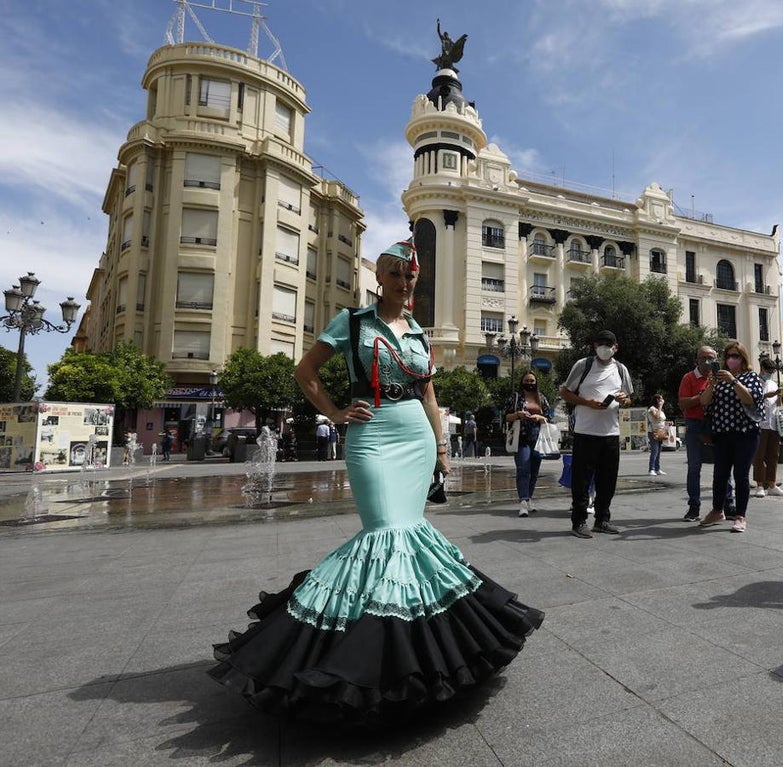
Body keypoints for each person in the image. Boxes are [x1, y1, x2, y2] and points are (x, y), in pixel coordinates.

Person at [210, 240, 543, 721]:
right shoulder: (351, 323)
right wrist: (336, 412)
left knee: (406, 538)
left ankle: (411, 661)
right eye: (396, 275)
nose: (405, 283)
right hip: (371, 435)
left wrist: (442, 448)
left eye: (411, 277)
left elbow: (428, 394)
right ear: (380, 279)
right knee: (387, 531)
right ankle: (363, 657)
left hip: (415, 437)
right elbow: (305, 372)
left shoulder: (417, 332)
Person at [560, 329, 634, 538]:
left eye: (608, 344)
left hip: (610, 433)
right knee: (582, 480)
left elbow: (628, 399)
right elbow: (564, 392)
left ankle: (602, 519)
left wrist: (623, 400)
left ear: (616, 347)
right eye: (600, 343)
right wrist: (586, 402)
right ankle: (579, 521)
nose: (604, 347)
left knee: (608, 480)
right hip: (585, 432)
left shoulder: (621, 369)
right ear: (594, 346)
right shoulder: (583, 365)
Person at [698, 342, 765, 533]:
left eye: (735, 355)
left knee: (741, 475)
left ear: (743, 358)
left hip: (745, 433)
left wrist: (734, 382)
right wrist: (712, 384)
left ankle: (740, 516)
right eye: (728, 355)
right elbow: (704, 401)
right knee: (719, 475)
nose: (731, 359)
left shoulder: (750, 377)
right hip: (722, 433)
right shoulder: (718, 378)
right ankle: (717, 510)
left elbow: (750, 399)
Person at [678, 346, 730, 521]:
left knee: (723, 465)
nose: (707, 361)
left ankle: (728, 504)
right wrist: (701, 397)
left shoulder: (721, 376)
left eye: (711, 358)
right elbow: (683, 403)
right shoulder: (689, 377)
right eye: (703, 358)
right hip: (695, 425)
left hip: (718, 424)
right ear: (697, 360)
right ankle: (694, 506)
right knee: (694, 467)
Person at [506, 371, 551, 517]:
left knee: (534, 471)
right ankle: (523, 502)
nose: (530, 383)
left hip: (538, 438)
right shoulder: (516, 397)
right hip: (521, 438)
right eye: (527, 380)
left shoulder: (541, 398)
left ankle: (529, 497)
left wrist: (540, 417)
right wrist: (518, 415)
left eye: (532, 381)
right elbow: (506, 416)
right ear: (522, 382)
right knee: (523, 468)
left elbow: (548, 416)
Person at [751, 377, 783, 498]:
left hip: (774, 424)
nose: (769, 374)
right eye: (768, 370)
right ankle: (760, 486)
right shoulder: (754, 382)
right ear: (762, 368)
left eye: (771, 371)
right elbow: (753, 399)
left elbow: (778, 404)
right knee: (759, 456)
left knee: (773, 455)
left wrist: (779, 397)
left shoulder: (773, 383)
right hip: (760, 424)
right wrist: (770, 394)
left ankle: (772, 485)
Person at [646, 394, 668, 476]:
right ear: (657, 400)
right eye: (661, 399)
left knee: (658, 451)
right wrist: (660, 406)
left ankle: (657, 468)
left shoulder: (661, 410)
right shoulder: (652, 408)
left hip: (661, 431)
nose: (662, 400)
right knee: (654, 451)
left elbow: (662, 420)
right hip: (653, 432)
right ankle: (651, 469)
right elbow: (657, 417)